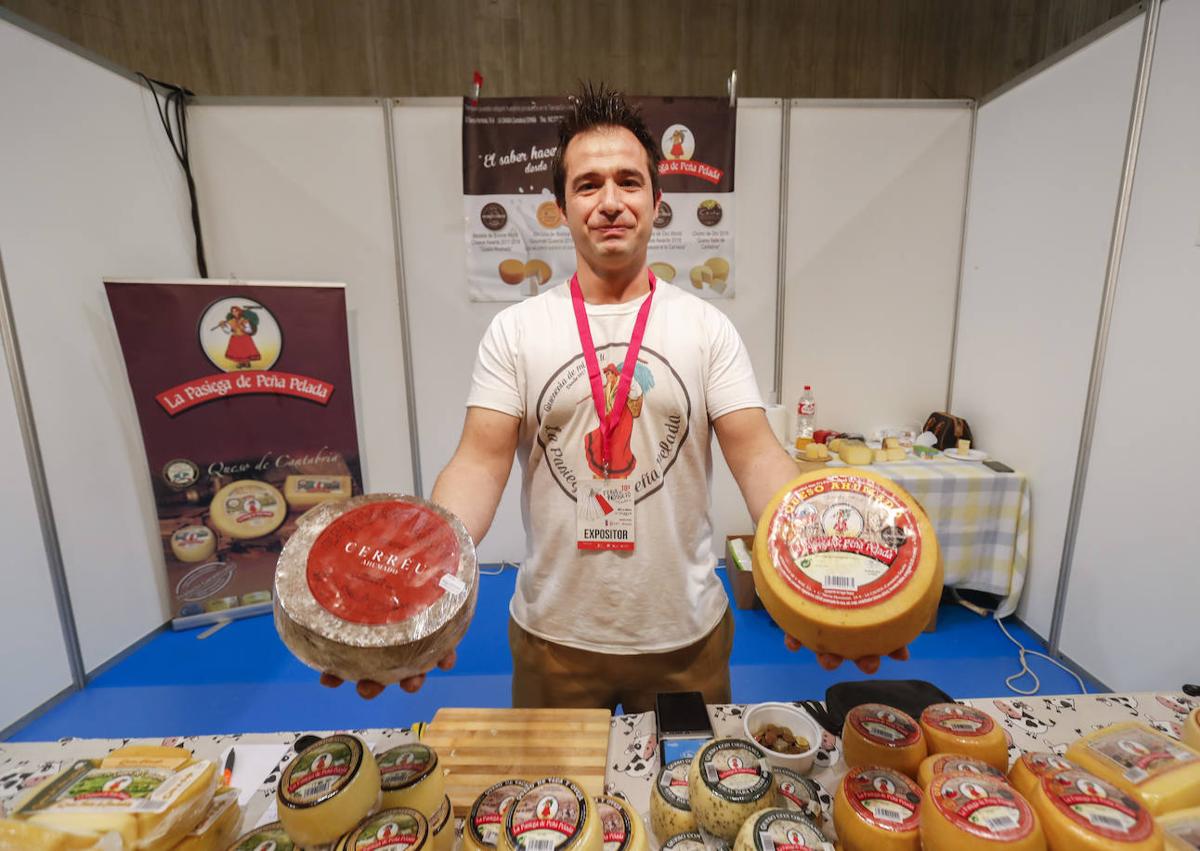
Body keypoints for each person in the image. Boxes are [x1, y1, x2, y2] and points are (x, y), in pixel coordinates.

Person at [323, 83, 907, 707]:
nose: (610, 202)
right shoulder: (516, 331)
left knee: (689, 802)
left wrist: (820, 579)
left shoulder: (706, 329)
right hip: (554, 640)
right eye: (587, 184)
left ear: (657, 203)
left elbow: (759, 458)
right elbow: (478, 465)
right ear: (561, 206)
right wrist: (421, 592)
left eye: (629, 182)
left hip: (686, 638)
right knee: (556, 804)